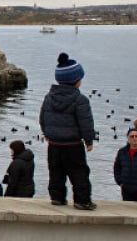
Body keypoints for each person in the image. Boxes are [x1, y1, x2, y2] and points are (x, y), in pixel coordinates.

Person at [39, 53, 97, 210]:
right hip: (72, 144)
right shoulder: (80, 100)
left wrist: (46, 133)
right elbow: (86, 122)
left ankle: (57, 198)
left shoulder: (49, 97)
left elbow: (43, 117)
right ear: (76, 80)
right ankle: (82, 200)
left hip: (54, 144)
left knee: (56, 172)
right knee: (79, 173)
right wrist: (89, 140)